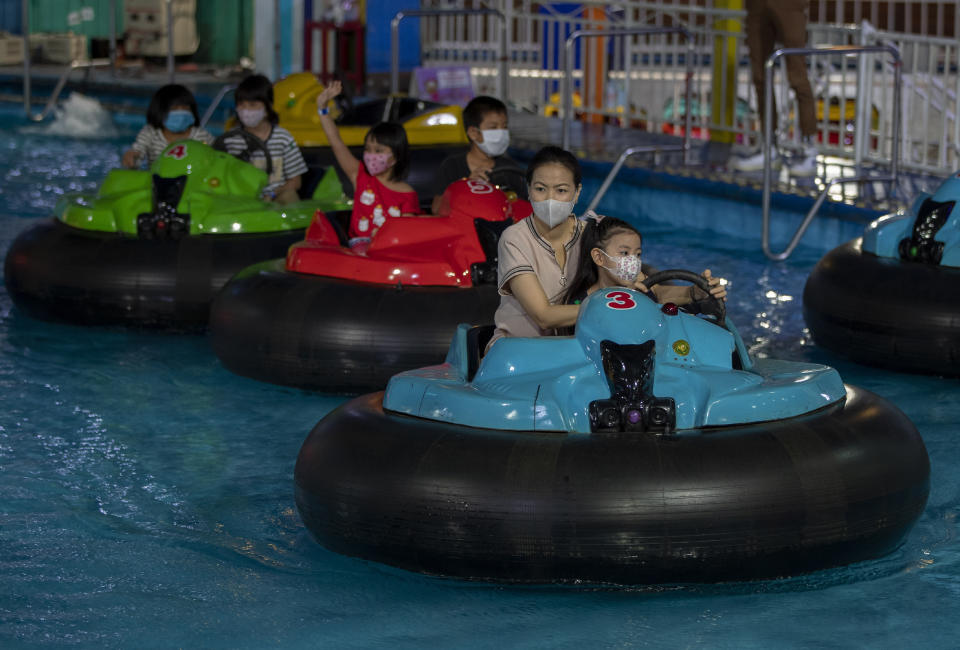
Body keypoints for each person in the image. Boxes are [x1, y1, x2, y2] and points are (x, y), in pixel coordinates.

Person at [487, 146, 585, 350]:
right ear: (528, 190)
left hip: (575, 350)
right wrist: (605, 309)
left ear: (577, 193)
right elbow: (543, 316)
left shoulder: (592, 235)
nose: (550, 199)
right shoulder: (514, 239)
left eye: (561, 190)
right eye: (540, 189)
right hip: (518, 348)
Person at [316, 80, 418, 246]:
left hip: (389, 249)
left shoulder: (407, 194)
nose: (371, 156)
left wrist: (384, 235)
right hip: (358, 248)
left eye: (378, 151)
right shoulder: (360, 176)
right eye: (368, 149)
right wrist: (323, 109)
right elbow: (336, 143)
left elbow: (407, 233)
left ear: (396, 156)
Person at [563, 215, 727, 312]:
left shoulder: (641, 286)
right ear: (599, 257)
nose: (633, 261)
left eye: (638, 254)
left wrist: (695, 292)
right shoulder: (580, 304)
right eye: (624, 253)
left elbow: (659, 294)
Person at [731, 0, 818, 177]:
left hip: (788, 4)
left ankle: (810, 150)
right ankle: (769, 148)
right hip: (757, 5)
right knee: (760, 77)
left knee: (798, 76)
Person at [219, 74, 308, 204]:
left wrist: (272, 194)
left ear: (268, 107)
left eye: (252, 105)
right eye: (241, 105)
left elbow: (295, 182)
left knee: (290, 196)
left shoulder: (283, 138)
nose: (246, 111)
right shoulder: (230, 140)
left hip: (274, 199)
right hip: (240, 200)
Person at [431, 95, 527, 214]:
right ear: (473, 133)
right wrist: (465, 186)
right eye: (493, 127)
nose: (501, 133)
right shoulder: (452, 166)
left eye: (504, 127)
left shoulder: (511, 169)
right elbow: (436, 209)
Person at [122, 84, 213, 169]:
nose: (180, 114)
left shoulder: (201, 135)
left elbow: (217, 155)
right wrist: (132, 156)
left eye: (185, 109)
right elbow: (138, 151)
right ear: (159, 111)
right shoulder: (150, 133)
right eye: (174, 109)